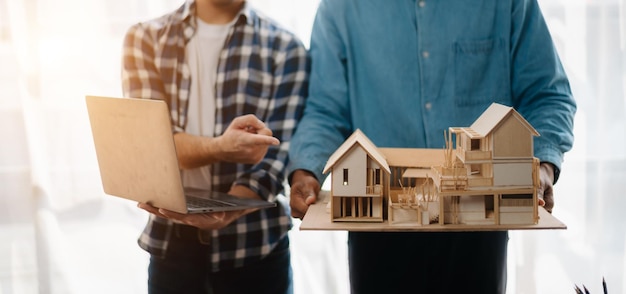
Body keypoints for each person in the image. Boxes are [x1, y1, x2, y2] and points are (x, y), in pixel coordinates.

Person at [287, 0, 576, 293]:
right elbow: (325, 109)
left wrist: (543, 164)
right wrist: (305, 169)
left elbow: (548, 94)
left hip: (478, 226)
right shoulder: (341, 7)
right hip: (376, 227)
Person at [121, 0, 309, 293]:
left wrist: (230, 209)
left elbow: (277, 155)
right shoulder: (145, 39)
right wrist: (221, 147)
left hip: (257, 249)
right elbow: (151, 149)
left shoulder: (287, 48)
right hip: (171, 248)